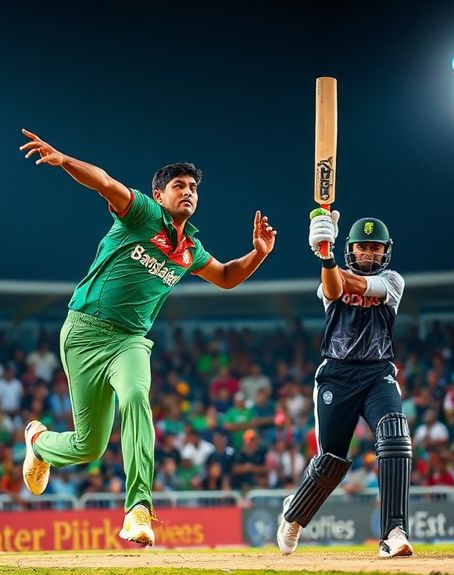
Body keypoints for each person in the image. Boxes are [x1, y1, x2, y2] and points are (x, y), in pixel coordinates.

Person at [17, 128, 276, 546]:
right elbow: (104, 182)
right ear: (159, 194)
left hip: (130, 341)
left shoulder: (191, 249)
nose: (188, 192)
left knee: (136, 397)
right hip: (83, 332)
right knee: (88, 447)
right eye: (178, 185)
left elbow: (227, 276)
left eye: (193, 187)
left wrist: (258, 254)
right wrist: (64, 160)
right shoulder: (141, 214)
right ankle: (40, 443)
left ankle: (138, 511)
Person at [276, 210, 414, 558]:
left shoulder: (394, 281)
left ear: (386, 252)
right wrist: (326, 256)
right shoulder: (329, 277)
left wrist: (328, 254)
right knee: (331, 462)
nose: (369, 254)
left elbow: (360, 286)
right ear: (351, 249)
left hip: (378, 374)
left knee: (395, 435)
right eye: (363, 247)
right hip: (336, 375)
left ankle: (393, 532)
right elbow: (335, 289)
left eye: (376, 248)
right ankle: (294, 515)